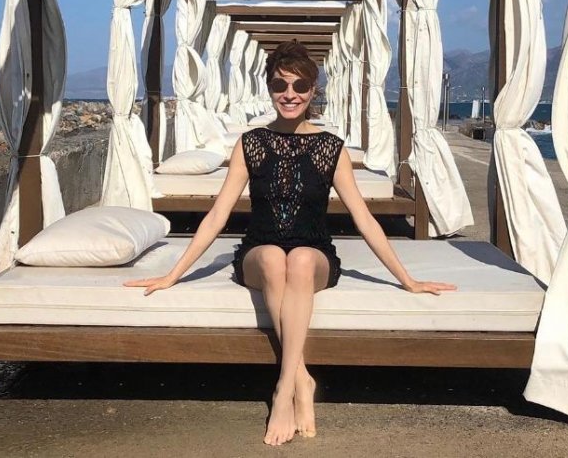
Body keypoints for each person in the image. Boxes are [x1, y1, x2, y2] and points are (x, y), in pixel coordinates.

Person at [124, 41, 456, 446]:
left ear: (313, 91)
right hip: (258, 250)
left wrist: (408, 280)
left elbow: (364, 218)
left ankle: (284, 388)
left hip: (313, 253)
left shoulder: (331, 148)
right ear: (269, 88)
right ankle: (299, 380)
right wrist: (172, 274)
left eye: (300, 86)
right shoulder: (251, 143)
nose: (290, 94)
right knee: (272, 258)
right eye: (281, 85)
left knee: (297, 259)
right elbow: (217, 215)